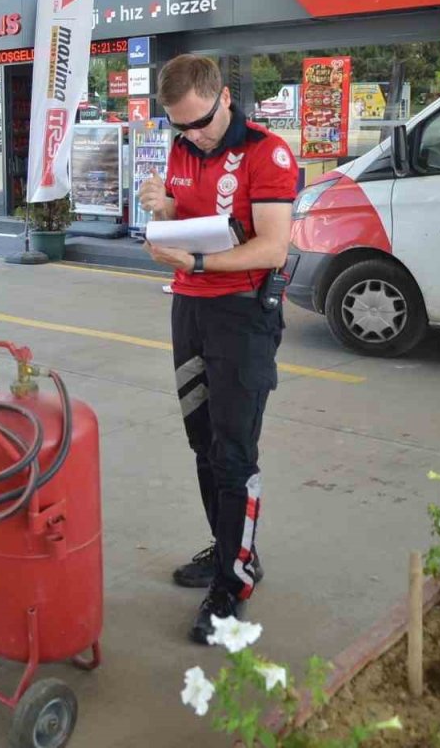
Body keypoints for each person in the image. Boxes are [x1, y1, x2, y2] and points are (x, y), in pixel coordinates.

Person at [138, 55, 296, 644]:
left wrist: (199, 261)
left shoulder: (266, 152)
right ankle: (229, 548)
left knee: (233, 452)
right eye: (180, 127)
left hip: (242, 315)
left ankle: (232, 586)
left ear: (223, 97)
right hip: (190, 307)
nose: (192, 136)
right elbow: (192, 215)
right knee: (202, 443)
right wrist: (166, 208)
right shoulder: (183, 147)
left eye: (200, 122)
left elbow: (273, 248)